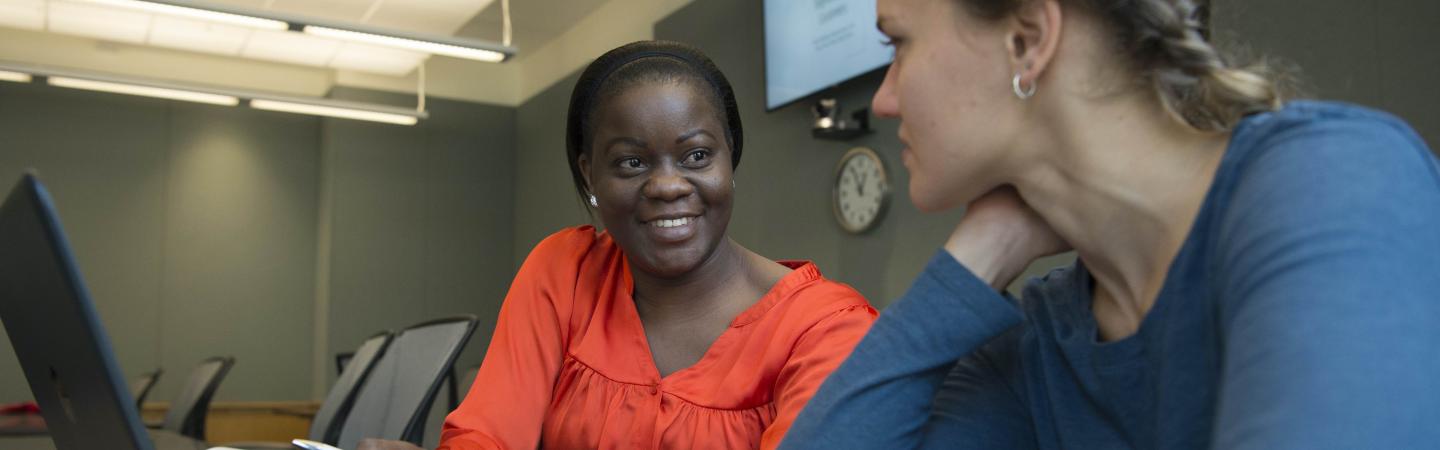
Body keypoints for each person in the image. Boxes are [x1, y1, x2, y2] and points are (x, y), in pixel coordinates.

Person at [781, 0, 1440, 448]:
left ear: (1028, 40)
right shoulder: (1040, 348)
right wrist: (977, 257)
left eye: (899, 42)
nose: (887, 98)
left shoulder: (1329, 181)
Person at [433, 40, 877, 450]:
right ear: (590, 176)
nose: (667, 186)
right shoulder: (564, 272)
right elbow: (484, 436)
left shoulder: (825, 329)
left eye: (697, 155)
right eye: (632, 162)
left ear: (730, 157)